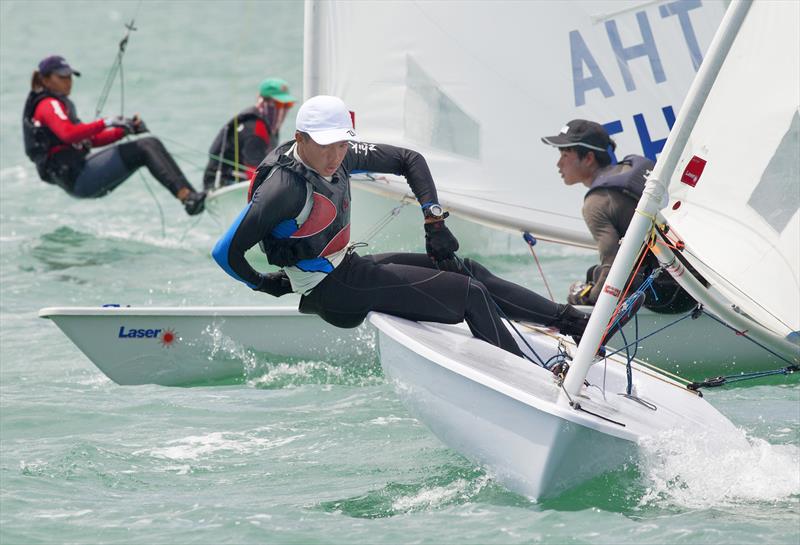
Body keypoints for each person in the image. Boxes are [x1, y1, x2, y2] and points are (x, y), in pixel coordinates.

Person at [212, 95, 609, 359]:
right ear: (300, 138)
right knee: (469, 294)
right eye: (327, 145)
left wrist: (434, 221)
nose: (337, 156)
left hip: (347, 268)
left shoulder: (340, 156)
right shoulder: (283, 187)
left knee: (465, 269)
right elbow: (225, 252)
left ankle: (575, 322)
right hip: (333, 291)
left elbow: (409, 159)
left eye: (343, 144)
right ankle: (529, 378)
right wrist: (266, 283)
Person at [542, 119, 694, 313]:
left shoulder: (595, 203)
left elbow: (612, 268)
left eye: (564, 154)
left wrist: (588, 305)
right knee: (594, 274)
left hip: (674, 297)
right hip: (699, 280)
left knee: (594, 279)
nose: (558, 163)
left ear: (588, 158)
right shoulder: (635, 169)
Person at [23, 55, 206, 215]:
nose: (68, 81)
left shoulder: (60, 105)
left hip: (80, 178)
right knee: (146, 146)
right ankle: (188, 197)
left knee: (149, 145)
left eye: (70, 76)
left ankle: (191, 196)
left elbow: (89, 140)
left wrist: (124, 130)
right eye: (62, 77)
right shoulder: (47, 104)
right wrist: (107, 122)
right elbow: (69, 134)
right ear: (45, 80)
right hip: (79, 177)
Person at [202, 77, 296, 191]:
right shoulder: (256, 128)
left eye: (288, 105)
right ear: (265, 102)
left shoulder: (268, 125)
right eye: (279, 105)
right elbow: (255, 173)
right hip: (224, 185)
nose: (283, 110)